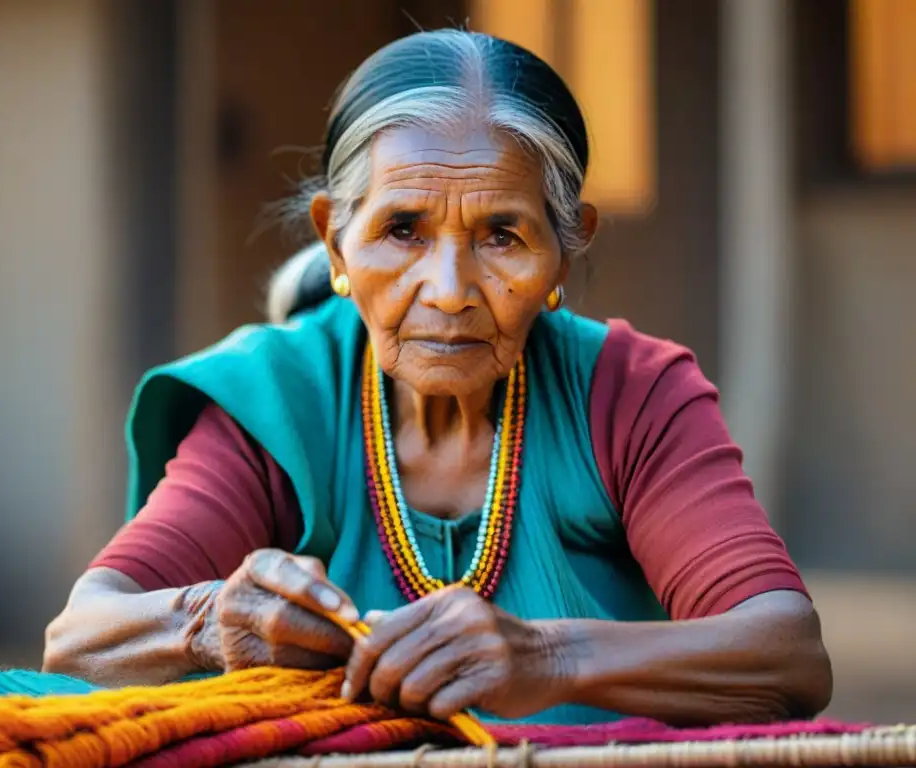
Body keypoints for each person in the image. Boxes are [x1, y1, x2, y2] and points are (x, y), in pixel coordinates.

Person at [43, 29, 832, 727]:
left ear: (567, 247)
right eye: (402, 230)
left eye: (502, 235)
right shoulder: (278, 402)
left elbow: (787, 655)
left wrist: (545, 658)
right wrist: (213, 620)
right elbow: (80, 639)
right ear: (336, 241)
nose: (450, 289)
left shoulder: (629, 393)